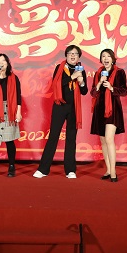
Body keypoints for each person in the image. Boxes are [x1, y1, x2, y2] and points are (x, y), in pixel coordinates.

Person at [34, 45, 88, 179]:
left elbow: (84, 91)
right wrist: (72, 77)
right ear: (66, 55)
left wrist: (81, 82)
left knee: (71, 138)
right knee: (53, 136)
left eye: (75, 54)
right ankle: (43, 169)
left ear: (79, 57)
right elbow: (56, 84)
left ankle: (70, 170)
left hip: (74, 107)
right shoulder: (60, 68)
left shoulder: (81, 70)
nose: (73, 55)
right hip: (60, 106)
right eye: (70, 53)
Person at [90, 48, 127, 182]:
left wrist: (111, 88)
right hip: (99, 109)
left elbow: (124, 91)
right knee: (103, 141)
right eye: (103, 56)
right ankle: (107, 169)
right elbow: (93, 93)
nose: (105, 59)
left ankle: (113, 171)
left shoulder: (120, 72)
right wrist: (100, 83)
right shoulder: (98, 73)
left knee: (109, 139)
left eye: (108, 56)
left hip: (113, 109)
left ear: (112, 59)